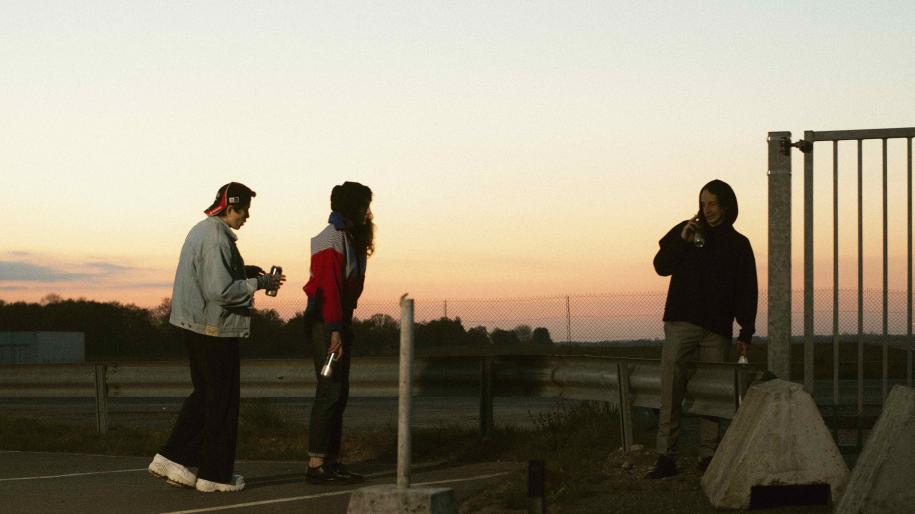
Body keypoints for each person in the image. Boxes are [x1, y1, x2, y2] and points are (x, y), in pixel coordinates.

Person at [148, 182, 286, 493]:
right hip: (213, 328)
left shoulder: (205, 231)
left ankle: (173, 457)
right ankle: (214, 475)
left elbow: (214, 276)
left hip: (198, 326)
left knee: (208, 398)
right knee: (222, 403)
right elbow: (219, 290)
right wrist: (260, 281)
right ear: (230, 207)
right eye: (244, 210)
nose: (247, 216)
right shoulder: (216, 238)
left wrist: (243, 270)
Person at [647, 179, 757, 479]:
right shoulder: (688, 231)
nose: (707, 209)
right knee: (671, 386)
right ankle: (665, 456)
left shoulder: (738, 244)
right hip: (681, 322)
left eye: (712, 203)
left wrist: (745, 332)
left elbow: (746, 290)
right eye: (703, 203)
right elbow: (660, 266)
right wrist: (681, 240)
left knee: (713, 393)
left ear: (726, 205)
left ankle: (708, 455)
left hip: (717, 328)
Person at [303, 181, 374, 484]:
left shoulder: (348, 237)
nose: (368, 211)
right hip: (325, 321)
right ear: (352, 206)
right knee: (329, 391)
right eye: (364, 205)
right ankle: (317, 464)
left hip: (337, 319)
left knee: (338, 393)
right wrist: (335, 331)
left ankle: (330, 461)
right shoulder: (332, 239)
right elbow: (329, 289)